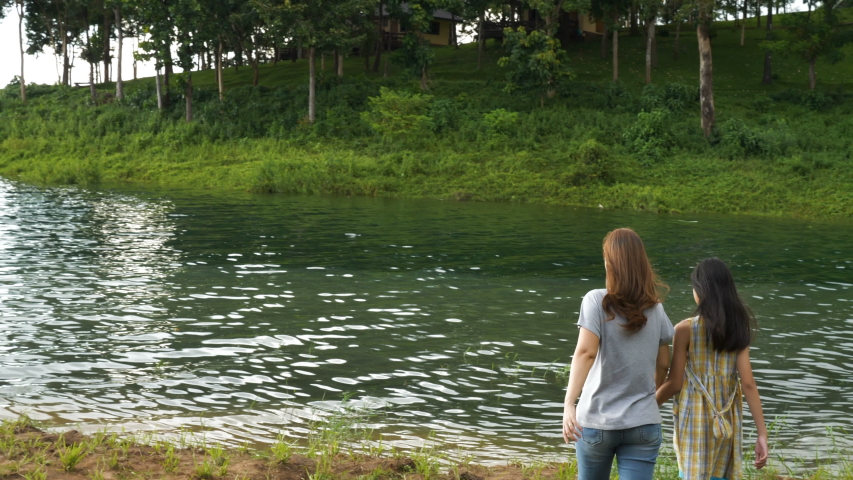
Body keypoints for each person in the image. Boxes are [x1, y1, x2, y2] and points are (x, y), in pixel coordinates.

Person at [562, 228, 674, 480]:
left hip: (597, 422)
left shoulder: (596, 301)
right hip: (643, 424)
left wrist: (569, 403)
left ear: (609, 262)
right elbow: (663, 364)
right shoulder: (656, 309)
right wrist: (644, 399)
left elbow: (585, 353)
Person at [656, 257, 769, 480]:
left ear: (700, 291)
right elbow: (748, 383)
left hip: (695, 418)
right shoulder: (738, 327)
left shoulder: (685, 329)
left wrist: (648, 405)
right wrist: (762, 434)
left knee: (693, 473)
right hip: (728, 417)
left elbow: (675, 382)